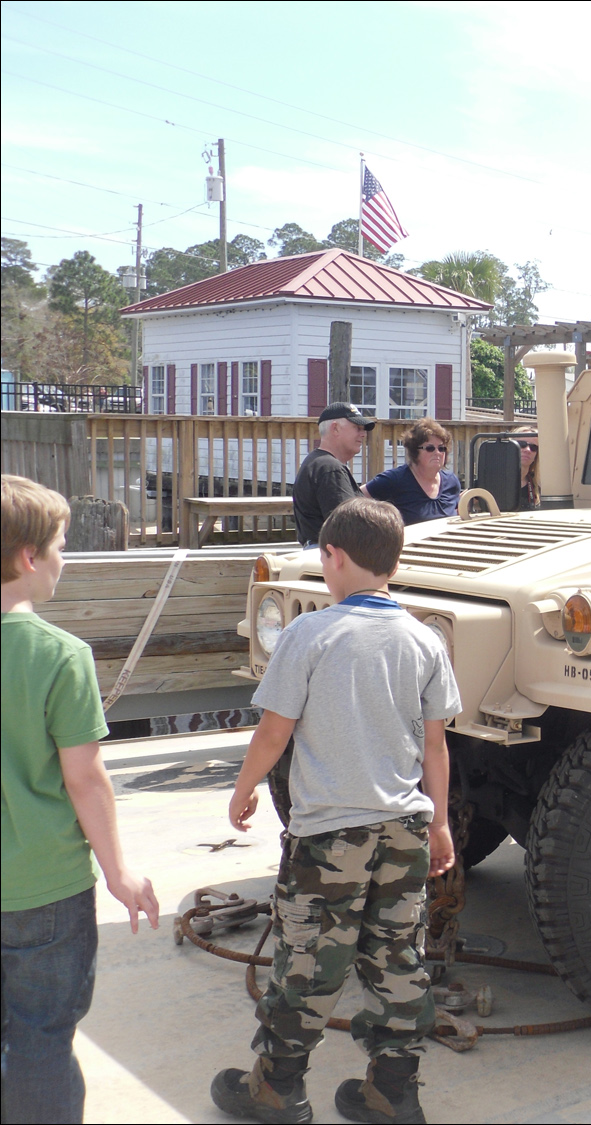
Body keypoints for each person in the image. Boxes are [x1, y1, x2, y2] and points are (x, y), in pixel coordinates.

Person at [210, 496, 461, 1125]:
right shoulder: (424, 640)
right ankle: (394, 1092)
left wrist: (243, 788)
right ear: (395, 563)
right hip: (404, 828)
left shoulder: (309, 633)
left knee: (308, 962)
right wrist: (440, 823)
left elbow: (274, 733)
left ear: (333, 557)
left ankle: (277, 1088)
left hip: (330, 836)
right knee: (398, 956)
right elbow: (435, 746)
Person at [2, 474, 160, 1125]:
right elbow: (86, 779)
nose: (65, 557)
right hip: (45, 889)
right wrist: (119, 871)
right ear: (28, 557)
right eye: (62, 544)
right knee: (40, 1037)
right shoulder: (62, 656)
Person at [291, 403, 375, 547]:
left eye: (364, 430)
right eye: (357, 428)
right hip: (330, 556)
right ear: (335, 428)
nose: (363, 434)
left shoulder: (316, 462)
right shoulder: (330, 469)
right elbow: (347, 528)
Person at [363, 418, 461, 525]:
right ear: (415, 451)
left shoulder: (451, 481)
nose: (437, 453)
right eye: (430, 448)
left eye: (441, 448)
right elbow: (356, 498)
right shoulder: (394, 480)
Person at [518, 437, 540, 509]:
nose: (528, 450)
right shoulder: (492, 480)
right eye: (521, 444)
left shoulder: (539, 484)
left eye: (533, 447)